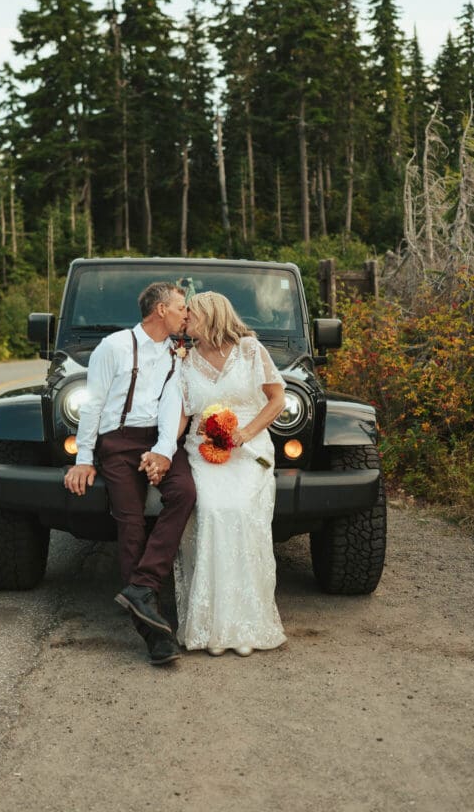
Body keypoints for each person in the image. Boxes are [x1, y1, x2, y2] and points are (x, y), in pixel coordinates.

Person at [146, 290, 287, 657]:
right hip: (203, 451)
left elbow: (277, 399)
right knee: (209, 511)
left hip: (249, 450)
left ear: (211, 315)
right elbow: (180, 414)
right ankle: (209, 625)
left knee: (240, 511)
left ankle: (246, 624)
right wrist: (163, 451)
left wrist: (246, 433)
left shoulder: (250, 351)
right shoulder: (186, 361)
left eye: (192, 313)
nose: (186, 318)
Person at [64, 282, 195, 667]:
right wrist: (85, 458)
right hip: (118, 443)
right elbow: (94, 404)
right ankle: (153, 633)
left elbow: (173, 406)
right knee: (131, 521)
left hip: (158, 441)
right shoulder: (115, 347)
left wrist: (164, 453)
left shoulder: (176, 354)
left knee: (185, 492)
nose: (186, 314)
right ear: (160, 310)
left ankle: (141, 587)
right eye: (181, 307)